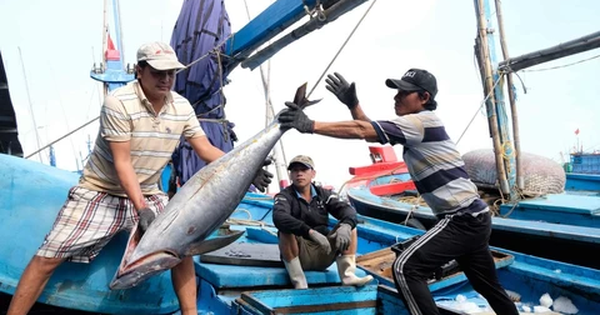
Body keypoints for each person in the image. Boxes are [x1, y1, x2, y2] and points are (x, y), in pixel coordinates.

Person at [7, 42, 272, 315]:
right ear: (140, 71)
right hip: (101, 191)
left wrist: (246, 167)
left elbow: (205, 150)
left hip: (149, 192)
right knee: (49, 256)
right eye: (158, 72)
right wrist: (141, 208)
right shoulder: (118, 104)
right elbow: (123, 164)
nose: (166, 79)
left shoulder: (181, 107)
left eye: (171, 73)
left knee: (181, 251)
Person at [278, 70, 519, 315]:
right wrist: (353, 105)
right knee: (488, 286)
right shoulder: (418, 125)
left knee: (406, 268)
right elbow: (371, 130)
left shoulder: (420, 122)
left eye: (404, 92)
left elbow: (363, 131)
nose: (397, 97)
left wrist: (310, 126)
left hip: (461, 219)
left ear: (424, 97)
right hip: (476, 218)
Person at [272, 155, 373, 289]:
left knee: (350, 226)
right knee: (284, 231)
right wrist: (310, 232)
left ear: (313, 173)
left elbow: (347, 210)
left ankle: (348, 276)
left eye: (304, 169)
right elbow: (279, 217)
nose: (299, 173)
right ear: (290, 175)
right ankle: (299, 282)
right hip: (300, 253)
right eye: (295, 170)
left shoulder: (323, 194)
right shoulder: (284, 196)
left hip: (324, 251)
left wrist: (346, 225)